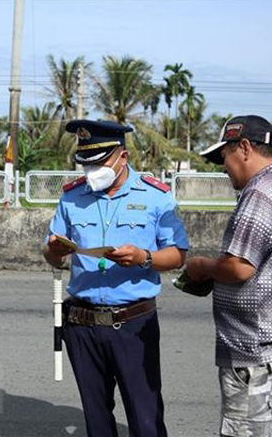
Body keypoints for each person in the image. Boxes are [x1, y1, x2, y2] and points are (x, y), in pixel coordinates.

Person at [43, 119, 189, 437]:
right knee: (97, 422)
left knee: (146, 420)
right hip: (81, 325)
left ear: (122, 157)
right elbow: (51, 254)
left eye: (98, 162)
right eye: (85, 163)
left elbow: (178, 255)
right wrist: (55, 251)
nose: (90, 170)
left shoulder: (156, 197)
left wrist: (144, 258)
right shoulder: (71, 197)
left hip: (134, 325)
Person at [187, 115, 272, 437]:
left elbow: (239, 268)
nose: (223, 167)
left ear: (244, 147)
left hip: (258, 354)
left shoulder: (260, 193)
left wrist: (202, 266)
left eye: (224, 157)